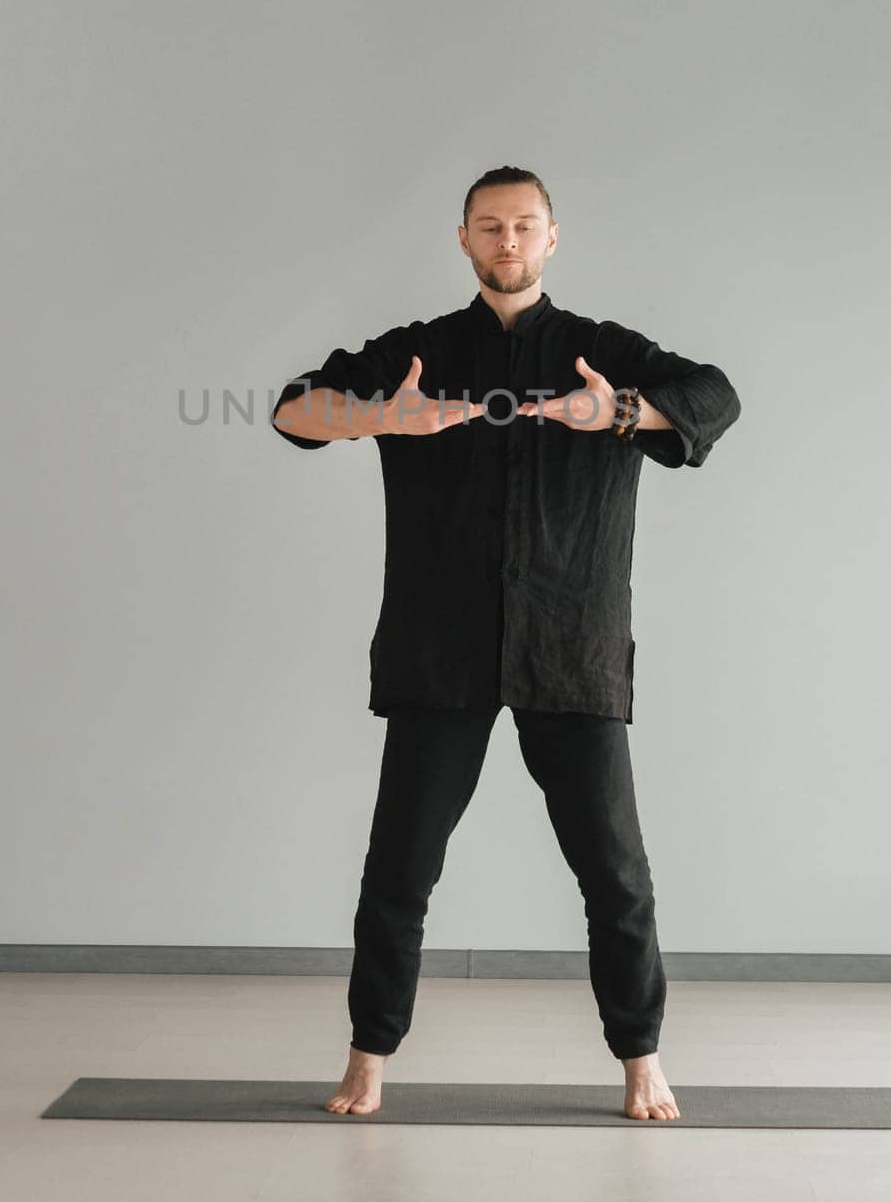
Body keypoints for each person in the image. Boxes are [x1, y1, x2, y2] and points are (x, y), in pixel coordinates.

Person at [271, 165, 741, 1120]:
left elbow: (716, 396)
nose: (508, 241)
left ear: (553, 236)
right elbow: (290, 409)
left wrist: (613, 411)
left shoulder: (601, 350)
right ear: (464, 239)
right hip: (439, 646)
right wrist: (375, 418)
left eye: (525, 225)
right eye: (490, 226)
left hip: (570, 643)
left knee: (614, 870)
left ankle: (641, 1058)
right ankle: (368, 1057)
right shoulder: (421, 350)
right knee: (399, 866)